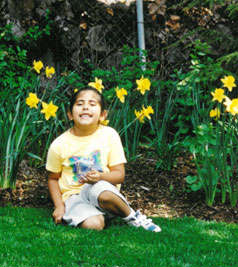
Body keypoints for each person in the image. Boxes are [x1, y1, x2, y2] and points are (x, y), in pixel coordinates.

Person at [45, 86, 161, 232]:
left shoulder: (109, 135)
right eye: (80, 104)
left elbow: (119, 175)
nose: (85, 107)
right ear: (70, 114)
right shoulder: (59, 144)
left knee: (100, 189)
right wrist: (59, 207)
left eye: (92, 104)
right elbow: (53, 179)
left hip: (100, 191)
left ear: (103, 115)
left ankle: (133, 217)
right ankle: (95, 215)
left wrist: (100, 177)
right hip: (74, 197)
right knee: (94, 225)